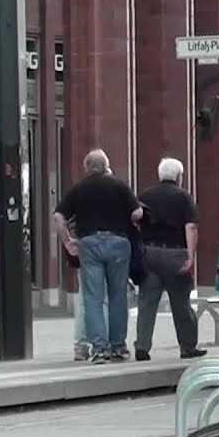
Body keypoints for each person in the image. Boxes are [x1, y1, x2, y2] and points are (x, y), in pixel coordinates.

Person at [53, 149, 143, 364]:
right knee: (118, 296)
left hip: (89, 243)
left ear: (87, 167)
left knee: (92, 298)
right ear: (106, 165)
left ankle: (99, 349)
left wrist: (68, 242)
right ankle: (118, 347)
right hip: (119, 243)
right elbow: (138, 213)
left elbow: (58, 216)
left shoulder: (79, 188)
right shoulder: (119, 185)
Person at [134, 157, 206, 361]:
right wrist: (191, 257)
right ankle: (187, 346)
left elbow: (136, 222)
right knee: (181, 302)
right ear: (179, 176)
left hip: (150, 253)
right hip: (175, 253)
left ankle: (142, 345)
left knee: (147, 301)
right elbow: (190, 227)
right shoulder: (184, 197)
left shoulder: (145, 196)